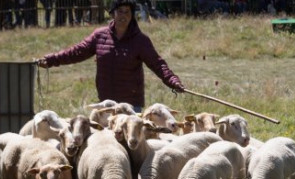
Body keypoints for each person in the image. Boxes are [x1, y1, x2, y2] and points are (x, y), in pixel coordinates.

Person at [36, 0, 184, 112]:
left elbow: (158, 64)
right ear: (113, 13)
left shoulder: (141, 40)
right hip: (106, 103)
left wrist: (173, 81)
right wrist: (51, 60)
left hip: (131, 107)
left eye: (128, 12)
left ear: (132, 16)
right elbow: (76, 52)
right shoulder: (99, 35)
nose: (124, 15)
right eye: (120, 11)